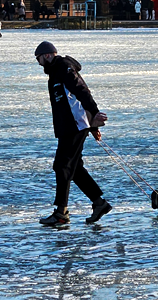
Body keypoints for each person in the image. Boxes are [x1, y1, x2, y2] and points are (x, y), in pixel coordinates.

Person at [35, 41, 112, 225]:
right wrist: (92, 127)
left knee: (62, 166)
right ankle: (99, 202)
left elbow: (81, 90)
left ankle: (61, 212)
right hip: (68, 125)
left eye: (38, 59)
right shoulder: (55, 72)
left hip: (74, 125)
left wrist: (94, 114)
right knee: (74, 167)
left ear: (47, 55)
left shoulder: (63, 67)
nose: (38, 64)